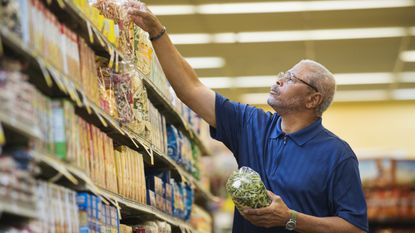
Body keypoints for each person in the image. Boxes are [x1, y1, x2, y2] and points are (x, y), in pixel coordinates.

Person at [127, 3, 368, 233]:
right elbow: (191, 89)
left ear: (313, 99)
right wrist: (157, 32)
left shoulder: (337, 154)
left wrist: (291, 219)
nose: (278, 80)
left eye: (292, 79)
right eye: (283, 74)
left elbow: (355, 227)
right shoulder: (252, 124)